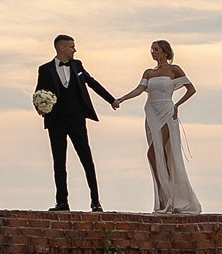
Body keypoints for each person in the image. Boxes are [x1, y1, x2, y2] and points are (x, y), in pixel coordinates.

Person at [110, 40, 202, 215]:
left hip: (167, 111)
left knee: (157, 152)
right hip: (151, 112)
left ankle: (171, 197)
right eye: (152, 50)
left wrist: (177, 105)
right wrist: (121, 99)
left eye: (156, 49)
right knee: (157, 155)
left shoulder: (174, 69)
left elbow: (191, 89)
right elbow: (139, 89)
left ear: (165, 52)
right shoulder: (149, 72)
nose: (153, 52)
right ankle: (163, 197)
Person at [33, 35, 116, 212]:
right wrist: (40, 107)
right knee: (59, 162)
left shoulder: (77, 65)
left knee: (86, 159)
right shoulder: (45, 69)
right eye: (72, 47)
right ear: (61, 48)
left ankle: (95, 201)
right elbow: (39, 92)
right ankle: (62, 202)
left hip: (76, 119)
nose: (74, 50)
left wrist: (111, 100)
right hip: (56, 121)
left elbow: (92, 83)